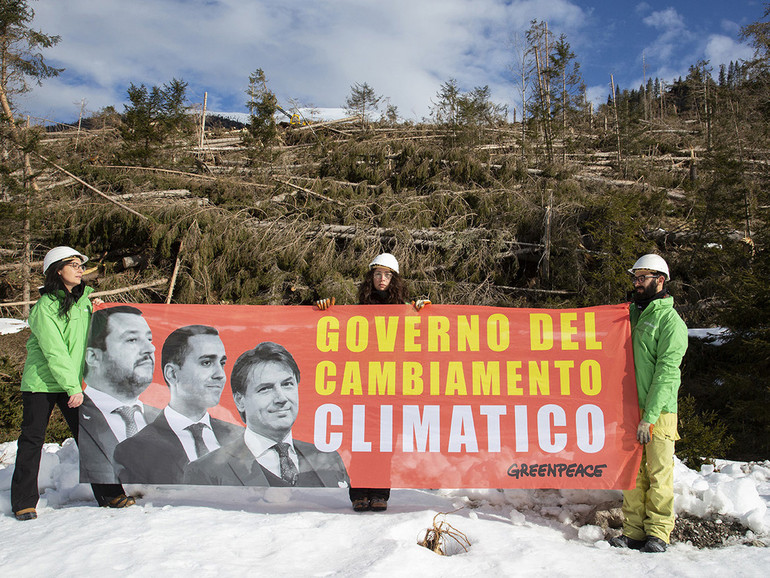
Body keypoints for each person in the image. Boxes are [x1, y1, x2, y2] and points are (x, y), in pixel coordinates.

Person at [11, 247, 135, 521]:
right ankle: (23, 501)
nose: (80, 269)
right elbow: (55, 351)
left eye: (81, 265)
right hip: (42, 383)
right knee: (32, 440)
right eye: (74, 265)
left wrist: (100, 311)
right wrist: (72, 388)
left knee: (91, 438)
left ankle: (111, 494)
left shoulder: (83, 302)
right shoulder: (45, 308)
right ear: (57, 270)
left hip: (74, 383)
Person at [316, 252, 429, 512]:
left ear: (394, 279)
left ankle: (380, 493)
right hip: (362, 386)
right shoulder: (357, 310)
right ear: (371, 277)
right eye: (378, 274)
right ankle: (359, 493)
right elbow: (333, 326)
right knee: (361, 440)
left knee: (383, 442)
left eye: (387, 275)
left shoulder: (406, 311)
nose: (382, 279)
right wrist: (323, 309)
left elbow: (422, 338)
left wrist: (425, 311)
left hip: (391, 386)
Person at [184, 341, 349, 487]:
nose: (281, 398)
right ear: (240, 400)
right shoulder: (206, 471)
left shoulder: (329, 459)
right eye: (265, 389)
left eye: (287, 384)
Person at [609, 254, 688, 553]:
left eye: (643, 278)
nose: (637, 283)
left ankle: (658, 533)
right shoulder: (629, 315)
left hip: (659, 412)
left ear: (660, 280)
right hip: (629, 410)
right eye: (635, 277)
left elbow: (667, 374)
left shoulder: (670, 322)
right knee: (632, 473)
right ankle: (633, 531)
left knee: (658, 472)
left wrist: (650, 417)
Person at [113, 325, 243, 483]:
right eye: (207, 363)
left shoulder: (240, 437)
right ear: (172, 374)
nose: (220, 375)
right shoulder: (133, 451)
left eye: (221, 363)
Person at [79, 305, 160, 484]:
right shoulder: (79, 416)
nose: (150, 348)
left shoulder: (165, 420)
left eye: (149, 339)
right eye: (132, 340)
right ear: (93, 357)